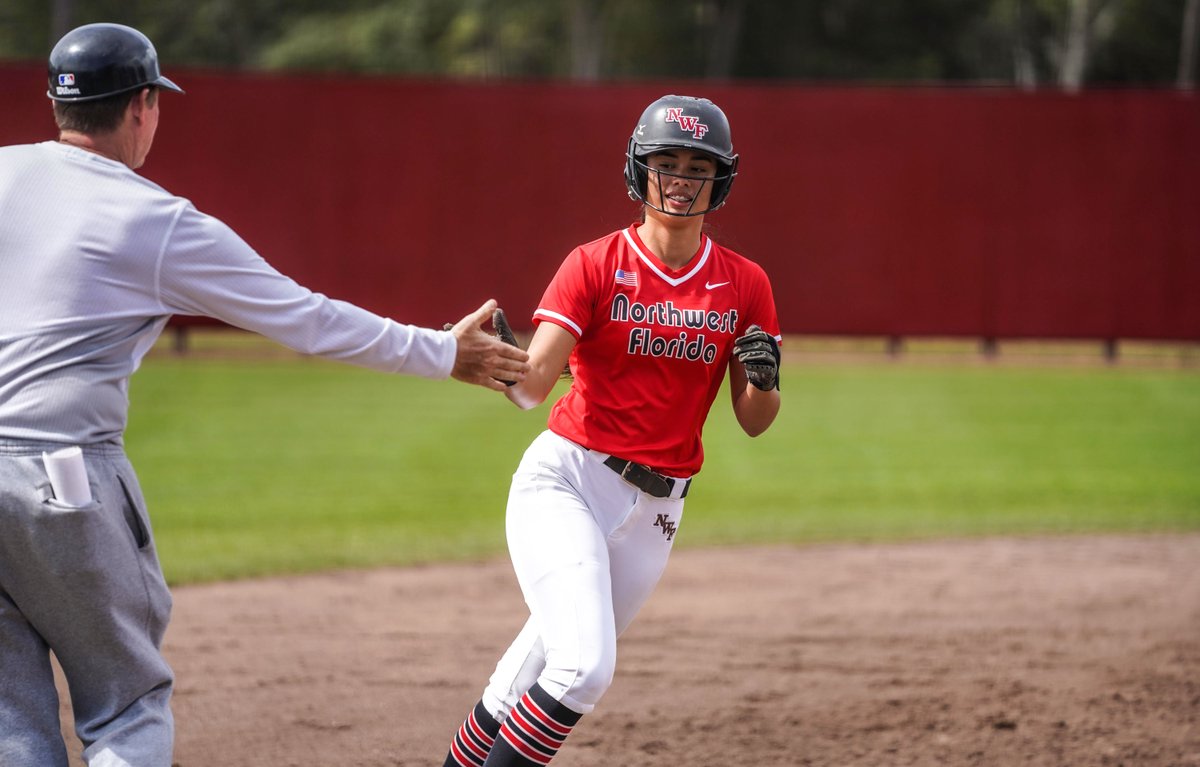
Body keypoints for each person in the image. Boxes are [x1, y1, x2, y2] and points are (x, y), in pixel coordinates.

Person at [0, 22, 529, 767]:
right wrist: (445, 352)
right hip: (61, 475)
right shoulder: (153, 219)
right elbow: (307, 319)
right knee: (126, 705)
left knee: (11, 721)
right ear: (143, 105)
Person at [440, 94, 782, 767]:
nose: (681, 178)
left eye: (697, 165)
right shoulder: (594, 264)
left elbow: (753, 419)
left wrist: (765, 381)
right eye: (666, 162)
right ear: (638, 169)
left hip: (657, 513)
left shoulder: (745, 283)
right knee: (583, 666)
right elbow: (535, 384)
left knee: (528, 673)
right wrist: (496, 358)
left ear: (723, 178)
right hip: (568, 479)